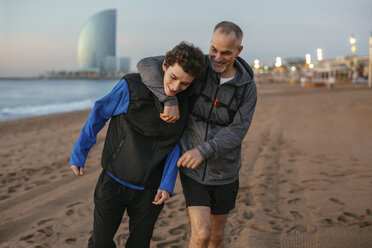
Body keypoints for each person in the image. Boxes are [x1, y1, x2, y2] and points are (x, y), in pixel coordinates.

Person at [69, 42, 205, 248]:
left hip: (150, 191)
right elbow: (99, 113)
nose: (176, 87)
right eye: (173, 77)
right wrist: (80, 151)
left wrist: (167, 184)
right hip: (113, 180)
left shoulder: (186, 101)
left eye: (184, 84)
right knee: (100, 243)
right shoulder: (132, 86)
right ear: (165, 65)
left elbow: (174, 144)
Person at [137, 21, 257, 248]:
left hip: (225, 171)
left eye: (225, 52)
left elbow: (238, 130)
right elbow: (146, 65)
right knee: (201, 234)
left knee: (216, 237)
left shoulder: (247, 88)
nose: (217, 58)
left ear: (239, 51)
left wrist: (204, 151)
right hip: (193, 171)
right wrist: (169, 100)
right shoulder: (199, 65)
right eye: (214, 49)